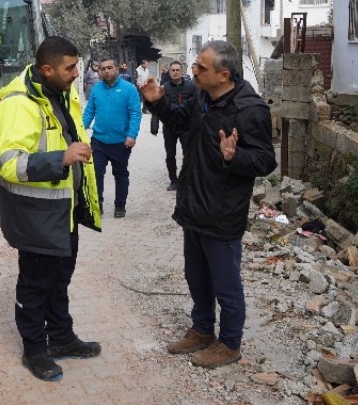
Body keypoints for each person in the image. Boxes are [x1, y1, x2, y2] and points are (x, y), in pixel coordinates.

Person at [141, 40, 276, 369]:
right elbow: (178, 121)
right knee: (196, 276)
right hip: (194, 203)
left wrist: (236, 155)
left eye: (201, 68)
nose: (193, 71)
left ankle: (229, 344)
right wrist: (158, 103)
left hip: (223, 211)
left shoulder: (250, 110)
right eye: (194, 66)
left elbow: (266, 160)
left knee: (226, 284)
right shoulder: (201, 96)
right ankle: (202, 330)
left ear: (223, 75)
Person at [0, 35, 102, 382]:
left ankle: (62, 338)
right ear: (47, 69)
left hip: (62, 212)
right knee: (35, 285)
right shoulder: (18, 104)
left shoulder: (59, 91)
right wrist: (62, 158)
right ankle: (35, 350)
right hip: (36, 217)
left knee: (60, 280)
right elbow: (8, 164)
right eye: (69, 68)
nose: (76, 74)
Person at [83, 57, 142, 218]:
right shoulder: (96, 89)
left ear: (117, 69)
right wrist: (80, 130)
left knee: (120, 174)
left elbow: (135, 113)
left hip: (121, 142)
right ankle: (98, 204)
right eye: (103, 69)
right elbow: (89, 112)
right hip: (99, 140)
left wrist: (132, 135)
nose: (106, 71)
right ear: (99, 71)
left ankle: (120, 205)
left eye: (109, 68)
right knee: (96, 172)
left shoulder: (129, 89)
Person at [150, 60, 196, 191]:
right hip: (170, 127)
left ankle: (187, 179)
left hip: (186, 126)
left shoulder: (191, 87)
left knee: (189, 154)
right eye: (173, 70)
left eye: (177, 70)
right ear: (169, 72)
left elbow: (197, 107)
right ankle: (173, 181)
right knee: (170, 154)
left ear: (182, 71)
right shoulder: (164, 87)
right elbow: (157, 107)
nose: (175, 72)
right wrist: (154, 126)